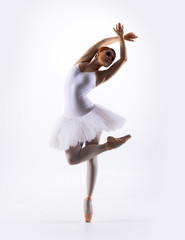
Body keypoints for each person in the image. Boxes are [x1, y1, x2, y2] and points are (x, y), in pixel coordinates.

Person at [49, 22, 138, 222]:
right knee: (72, 159)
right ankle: (108, 146)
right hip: (70, 120)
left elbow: (123, 58)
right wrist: (120, 37)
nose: (110, 59)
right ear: (98, 53)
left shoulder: (100, 76)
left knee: (90, 157)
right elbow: (102, 42)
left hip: (90, 117)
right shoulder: (81, 61)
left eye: (111, 59)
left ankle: (89, 198)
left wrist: (122, 45)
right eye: (108, 55)